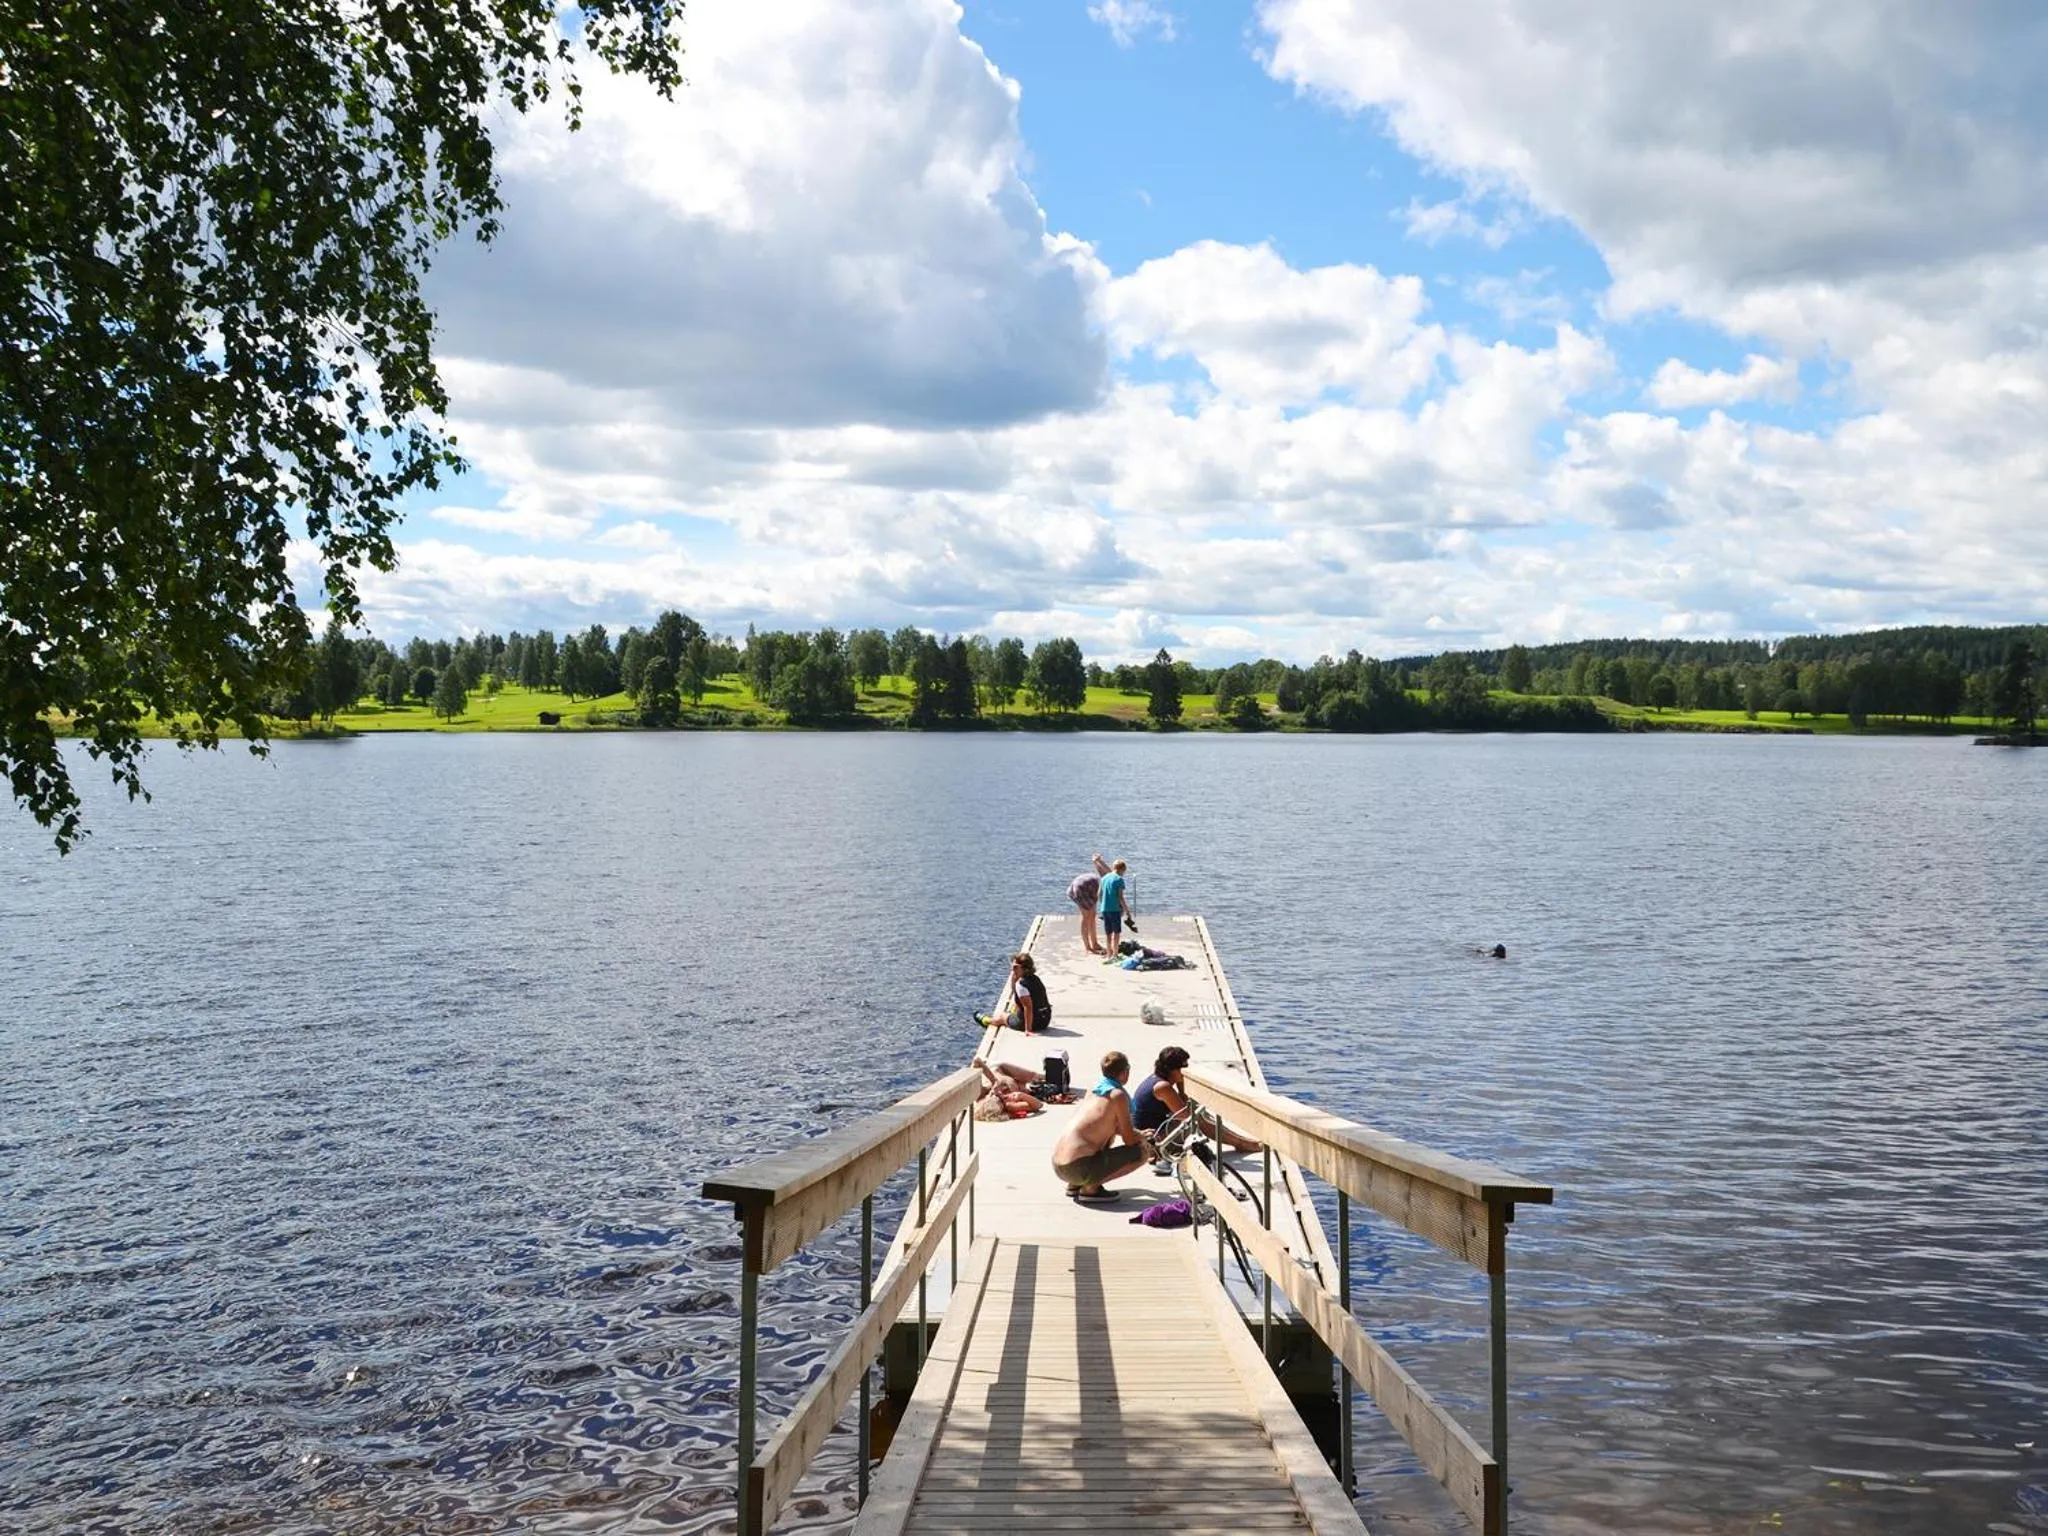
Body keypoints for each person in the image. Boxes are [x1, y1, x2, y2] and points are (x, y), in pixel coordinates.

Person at [1051, 1050, 1152, 1200]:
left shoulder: (1095, 1088)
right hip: (1078, 1168)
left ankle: (1074, 1185)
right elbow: (1129, 1140)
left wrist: (1137, 1133)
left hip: (1060, 1165)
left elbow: (1110, 1127)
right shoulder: (1117, 1095)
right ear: (1125, 1072)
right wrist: (1142, 1137)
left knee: (1107, 1136)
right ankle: (1090, 1188)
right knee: (1142, 1151)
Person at [1131, 1046, 1263, 1153]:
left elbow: (1184, 1102)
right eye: (1184, 1067)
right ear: (1173, 1070)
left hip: (1157, 1129)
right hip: (1151, 1139)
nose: (1186, 1071)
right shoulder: (1162, 1087)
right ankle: (1241, 1143)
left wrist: (1181, 1084)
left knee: (1199, 1113)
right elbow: (1187, 1117)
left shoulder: (1158, 1078)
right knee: (1197, 1119)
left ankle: (1242, 1141)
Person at [974, 952, 1053, 1035]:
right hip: (1045, 1021)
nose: (1012, 970)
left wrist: (1028, 1029)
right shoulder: (1036, 979)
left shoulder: (1021, 984)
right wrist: (1014, 978)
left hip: (1032, 1024)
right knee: (1016, 1006)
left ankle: (986, 1021)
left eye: (1015, 967)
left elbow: (1028, 1007)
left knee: (1002, 1016)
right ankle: (1014, 1013)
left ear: (1025, 968)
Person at [1067, 853, 1112, 954]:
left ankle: (1094, 943)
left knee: (1092, 915)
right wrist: (1098, 861)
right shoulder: (1110, 881)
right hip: (1081, 889)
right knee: (1087, 917)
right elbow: (1109, 872)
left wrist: (1097, 861)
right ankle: (1088, 947)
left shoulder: (1108, 879)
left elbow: (1104, 870)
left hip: (1087, 887)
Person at [973, 1056, 1040, 1119]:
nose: (999, 1093)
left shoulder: (981, 1093)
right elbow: (1038, 1105)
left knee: (1034, 1076)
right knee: (1034, 1079)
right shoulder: (1009, 1105)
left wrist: (994, 1081)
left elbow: (976, 1061)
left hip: (1000, 1068)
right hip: (1015, 1082)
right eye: (1000, 1099)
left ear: (987, 1098)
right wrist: (1021, 1095)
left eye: (993, 1094)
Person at [1097, 858, 1131, 961]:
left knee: (1108, 933)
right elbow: (1120, 897)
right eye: (1124, 872)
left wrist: (1102, 905)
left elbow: (1099, 894)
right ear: (1122, 869)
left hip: (1104, 909)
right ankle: (1115, 954)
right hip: (1115, 909)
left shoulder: (1104, 878)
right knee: (1116, 933)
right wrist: (1126, 910)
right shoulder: (1119, 879)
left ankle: (1108, 954)